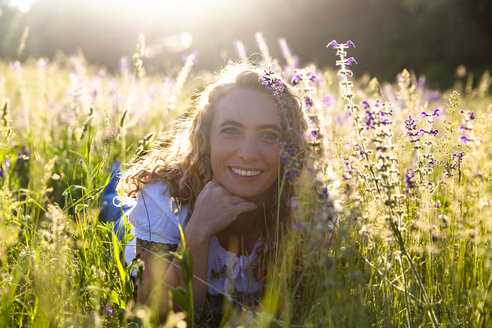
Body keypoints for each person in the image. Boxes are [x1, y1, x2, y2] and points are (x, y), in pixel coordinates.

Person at [116, 64, 308, 322]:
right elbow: (155, 315)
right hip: (126, 220)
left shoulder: (305, 207)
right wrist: (197, 232)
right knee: (109, 199)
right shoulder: (162, 199)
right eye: (231, 131)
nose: (248, 153)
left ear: (289, 146)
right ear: (207, 139)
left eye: (268, 135)